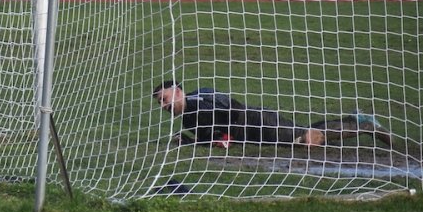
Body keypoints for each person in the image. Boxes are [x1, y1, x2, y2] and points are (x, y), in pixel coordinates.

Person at [151, 80, 392, 148]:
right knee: (306, 133)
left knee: (309, 138)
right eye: (160, 103)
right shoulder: (187, 117)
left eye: (164, 98)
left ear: (178, 91)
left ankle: (365, 125)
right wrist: (191, 141)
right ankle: (355, 119)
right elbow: (208, 137)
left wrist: (226, 131)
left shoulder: (200, 99)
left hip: (259, 123)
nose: (164, 105)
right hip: (253, 132)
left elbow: (233, 107)